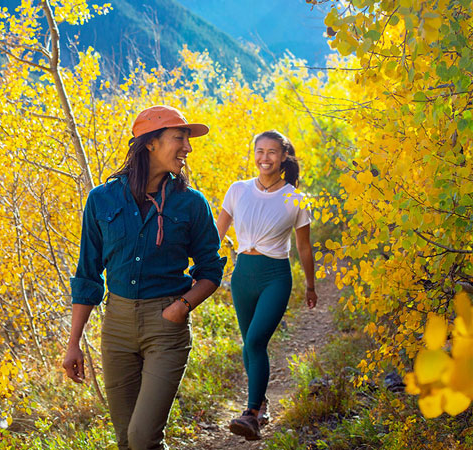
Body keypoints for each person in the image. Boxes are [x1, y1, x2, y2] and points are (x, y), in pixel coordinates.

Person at [62, 105, 226, 450]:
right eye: (179, 138)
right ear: (150, 143)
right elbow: (87, 274)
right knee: (125, 440)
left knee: (143, 437)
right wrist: (73, 342)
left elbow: (211, 269)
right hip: (117, 327)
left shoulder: (191, 204)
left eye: (187, 139)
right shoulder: (101, 199)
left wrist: (182, 307)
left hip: (166, 326)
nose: (187, 147)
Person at [216, 130, 318, 441]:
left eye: (271, 152)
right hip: (242, 276)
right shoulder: (238, 190)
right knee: (249, 345)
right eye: (259, 151)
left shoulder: (295, 198)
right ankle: (261, 404)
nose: (264, 157)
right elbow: (216, 233)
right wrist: (195, 267)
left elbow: (303, 247)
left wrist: (310, 286)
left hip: (275, 277)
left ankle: (251, 415)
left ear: (284, 156)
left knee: (256, 342)